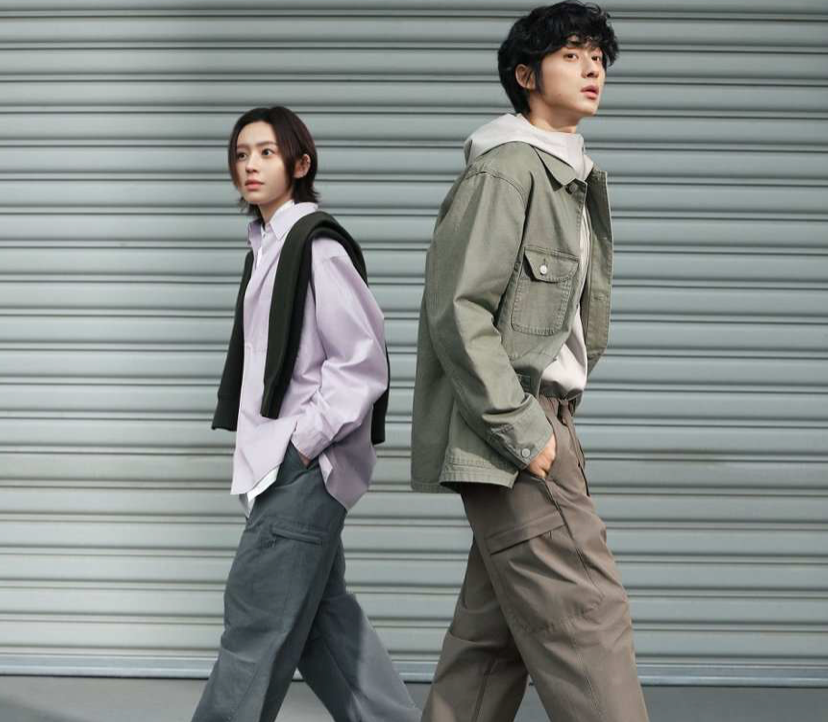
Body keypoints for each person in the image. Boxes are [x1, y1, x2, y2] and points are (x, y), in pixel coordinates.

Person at [411, 3, 650, 721]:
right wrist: (526, 431)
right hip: (516, 429)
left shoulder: (567, 174)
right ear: (525, 75)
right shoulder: (509, 171)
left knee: (491, 645)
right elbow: (457, 309)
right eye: (571, 54)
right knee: (587, 619)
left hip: (543, 425)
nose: (592, 68)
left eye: (598, 56)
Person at [193, 106, 419, 722]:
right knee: (326, 628)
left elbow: (362, 362)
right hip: (285, 466)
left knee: (255, 620)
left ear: (300, 164)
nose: (250, 165)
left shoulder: (315, 247)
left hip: (300, 469)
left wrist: (301, 445)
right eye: (241, 154)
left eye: (266, 152)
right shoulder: (267, 248)